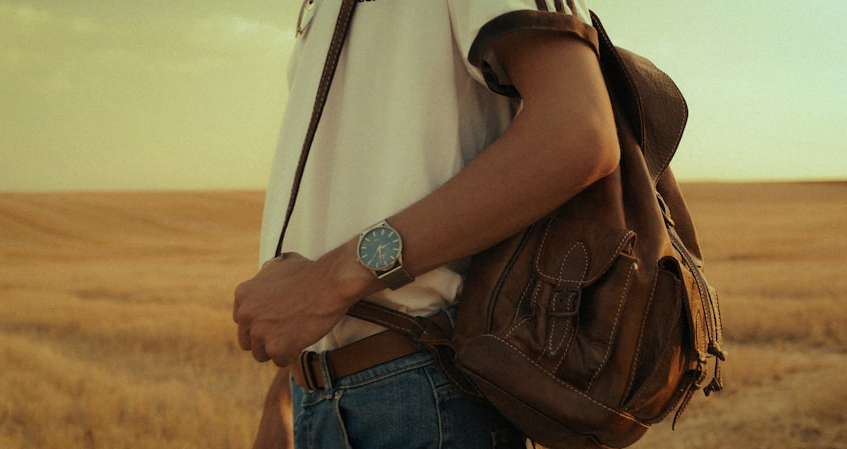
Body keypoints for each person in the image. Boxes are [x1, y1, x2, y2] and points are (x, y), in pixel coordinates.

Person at [233, 1, 618, 447]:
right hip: (319, 397)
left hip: (425, 390)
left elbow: (577, 132)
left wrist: (328, 283)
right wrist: (289, 390)